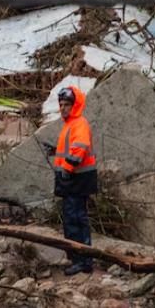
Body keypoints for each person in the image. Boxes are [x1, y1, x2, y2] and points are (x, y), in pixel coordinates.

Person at [45, 86, 98, 275]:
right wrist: (54, 151)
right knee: (72, 219)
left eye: (67, 104)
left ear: (74, 105)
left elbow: (79, 150)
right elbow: (71, 150)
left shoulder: (79, 124)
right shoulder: (71, 125)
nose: (63, 108)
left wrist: (67, 169)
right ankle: (78, 258)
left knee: (76, 220)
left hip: (77, 180)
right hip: (73, 181)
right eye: (61, 104)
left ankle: (83, 261)